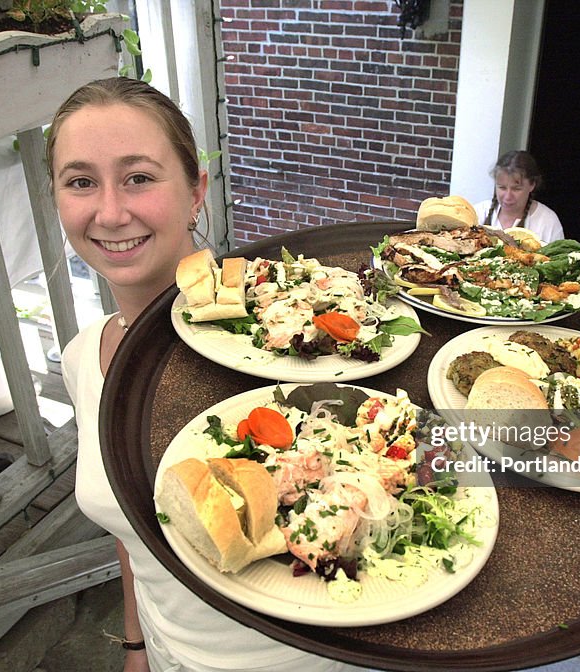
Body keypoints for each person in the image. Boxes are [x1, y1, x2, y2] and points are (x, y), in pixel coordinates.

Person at [51, 77, 367, 672]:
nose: (111, 211)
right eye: (81, 182)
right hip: (173, 655)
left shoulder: (287, 352)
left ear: (196, 192)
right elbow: (132, 523)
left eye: (139, 177)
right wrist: (137, 645)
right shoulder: (81, 355)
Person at [472, 150, 565, 243]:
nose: (508, 196)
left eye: (516, 189)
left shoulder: (547, 222)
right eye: (502, 188)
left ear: (532, 185)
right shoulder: (478, 213)